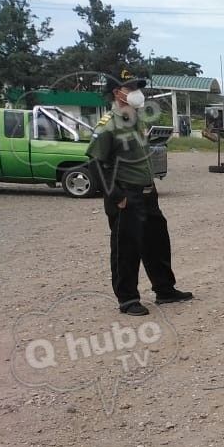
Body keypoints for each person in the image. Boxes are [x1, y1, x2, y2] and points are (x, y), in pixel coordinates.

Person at [86, 70, 192, 316]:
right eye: (131, 87)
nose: (137, 93)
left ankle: (165, 290)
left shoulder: (135, 120)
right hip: (126, 196)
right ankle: (127, 299)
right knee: (126, 248)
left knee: (157, 242)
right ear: (117, 93)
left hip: (147, 192)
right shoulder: (108, 125)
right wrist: (116, 195)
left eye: (137, 87)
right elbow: (95, 163)